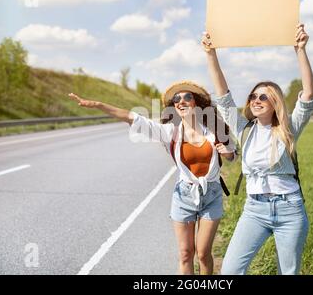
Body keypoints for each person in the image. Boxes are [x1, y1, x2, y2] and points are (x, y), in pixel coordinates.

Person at [68, 80, 235, 274]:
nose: (181, 101)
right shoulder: (169, 133)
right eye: (176, 99)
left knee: (204, 253)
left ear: (195, 103)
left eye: (187, 97)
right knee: (185, 253)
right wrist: (98, 105)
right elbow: (133, 118)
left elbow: (231, 155)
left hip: (211, 195)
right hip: (184, 196)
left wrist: (228, 152)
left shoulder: (214, 130)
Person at [202, 24, 313, 274]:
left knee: (288, 272)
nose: (256, 100)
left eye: (263, 97)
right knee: (230, 271)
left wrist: (300, 50)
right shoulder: (244, 130)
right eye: (253, 96)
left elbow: (308, 96)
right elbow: (223, 97)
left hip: (290, 210)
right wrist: (211, 54)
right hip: (254, 209)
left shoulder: (288, 128)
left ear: (275, 102)